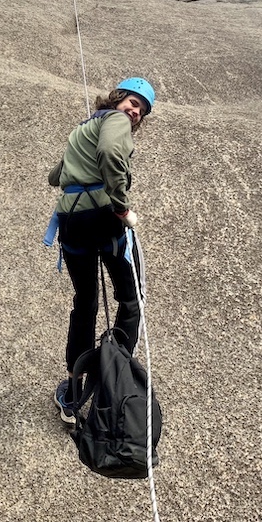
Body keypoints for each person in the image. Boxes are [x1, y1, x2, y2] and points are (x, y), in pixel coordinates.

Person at [47, 77, 155, 424]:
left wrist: (77, 162)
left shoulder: (83, 129)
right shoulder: (116, 121)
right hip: (103, 216)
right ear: (117, 98)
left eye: (142, 110)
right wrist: (121, 207)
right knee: (130, 298)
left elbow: (55, 175)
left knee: (86, 304)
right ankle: (117, 379)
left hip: (71, 221)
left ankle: (74, 391)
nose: (135, 112)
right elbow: (110, 152)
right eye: (133, 102)